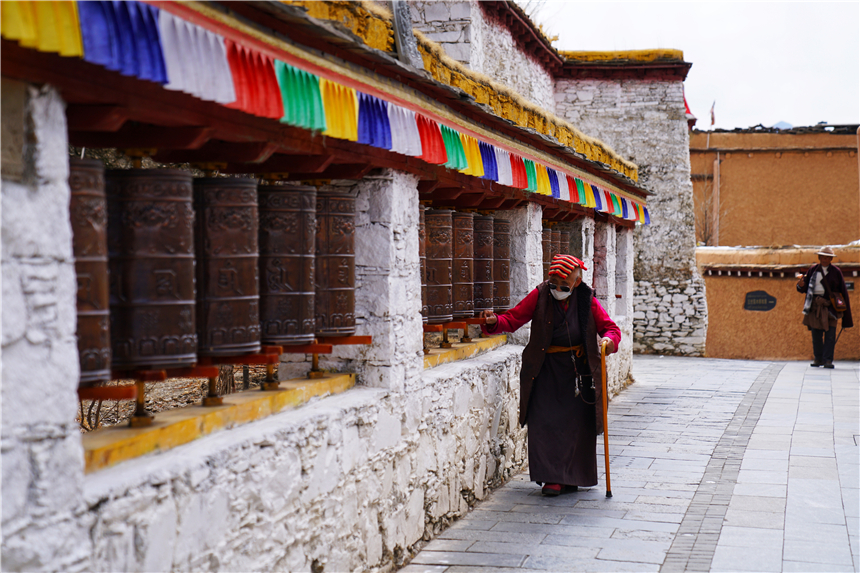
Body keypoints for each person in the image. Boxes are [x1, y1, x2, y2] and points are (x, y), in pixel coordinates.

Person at [480, 254, 621, 496]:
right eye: (553, 285)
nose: (557, 290)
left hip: (579, 371)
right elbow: (514, 318)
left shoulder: (587, 298)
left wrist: (609, 340)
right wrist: (495, 321)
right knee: (544, 422)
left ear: (576, 283)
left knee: (576, 425)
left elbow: (610, 328)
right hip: (545, 370)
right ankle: (552, 478)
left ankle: (572, 476)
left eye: (563, 287)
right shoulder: (541, 294)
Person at [795, 246, 853, 369]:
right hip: (815, 307)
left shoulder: (836, 272)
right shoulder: (813, 270)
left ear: (831, 259)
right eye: (823, 257)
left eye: (828, 257)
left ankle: (828, 360)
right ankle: (818, 358)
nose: (825, 259)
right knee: (816, 335)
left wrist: (846, 318)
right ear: (819, 257)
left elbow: (843, 292)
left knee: (830, 335)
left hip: (830, 308)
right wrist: (800, 285)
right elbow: (803, 288)